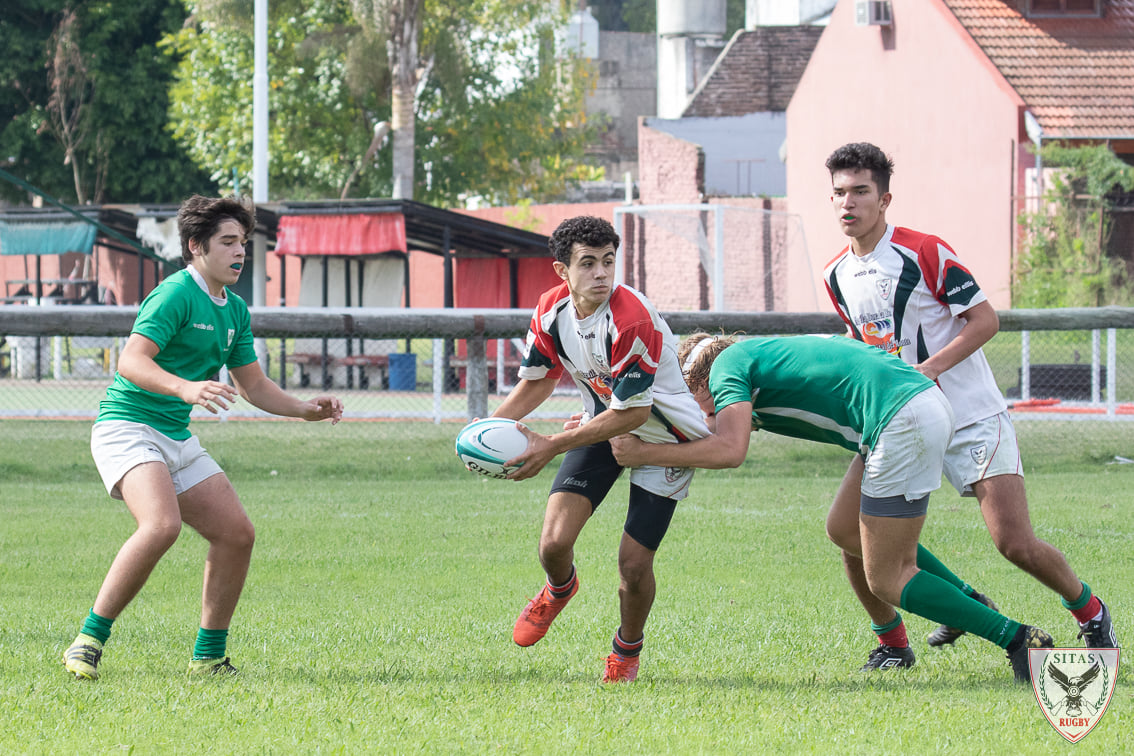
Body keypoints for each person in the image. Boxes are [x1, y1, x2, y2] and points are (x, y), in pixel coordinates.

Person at [611, 332, 1057, 683]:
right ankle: (956, 608)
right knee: (845, 529)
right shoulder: (751, 360)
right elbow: (707, 433)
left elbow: (730, 449)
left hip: (900, 419)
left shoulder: (727, 368)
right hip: (906, 409)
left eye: (686, 397)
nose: (690, 411)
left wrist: (642, 454)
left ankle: (1018, 638)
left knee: (887, 577)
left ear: (695, 377)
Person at [821, 142, 1117, 667]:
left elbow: (986, 320)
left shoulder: (925, 251)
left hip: (970, 416)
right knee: (846, 530)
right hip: (898, 425)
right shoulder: (835, 274)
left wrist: (929, 371)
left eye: (861, 191)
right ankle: (926, 627)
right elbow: (865, 347)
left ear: (885, 199)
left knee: (1014, 543)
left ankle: (1090, 611)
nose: (849, 203)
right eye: (840, 192)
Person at [63, 195, 344, 680]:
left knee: (237, 534)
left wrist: (304, 411)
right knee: (161, 526)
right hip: (127, 428)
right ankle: (88, 640)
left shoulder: (234, 309)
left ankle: (208, 657)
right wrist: (185, 388)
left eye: (244, 243)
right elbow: (131, 361)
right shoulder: (176, 294)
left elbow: (252, 385)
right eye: (227, 242)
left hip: (174, 435)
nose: (239, 252)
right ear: (196, 246)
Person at [490, 215, 710, 683]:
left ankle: (625, 652)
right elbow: (539, 381)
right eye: (587, 263)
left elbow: (633, 414)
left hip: (663, 438)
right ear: (561, 272)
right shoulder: (551, 310)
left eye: (608, 262)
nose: (601, 274)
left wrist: (550, 444)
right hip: (601, 427)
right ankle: (559, 588)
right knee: (553, 543)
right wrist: (489, 427)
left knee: (632, 565)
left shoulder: (632, 319)